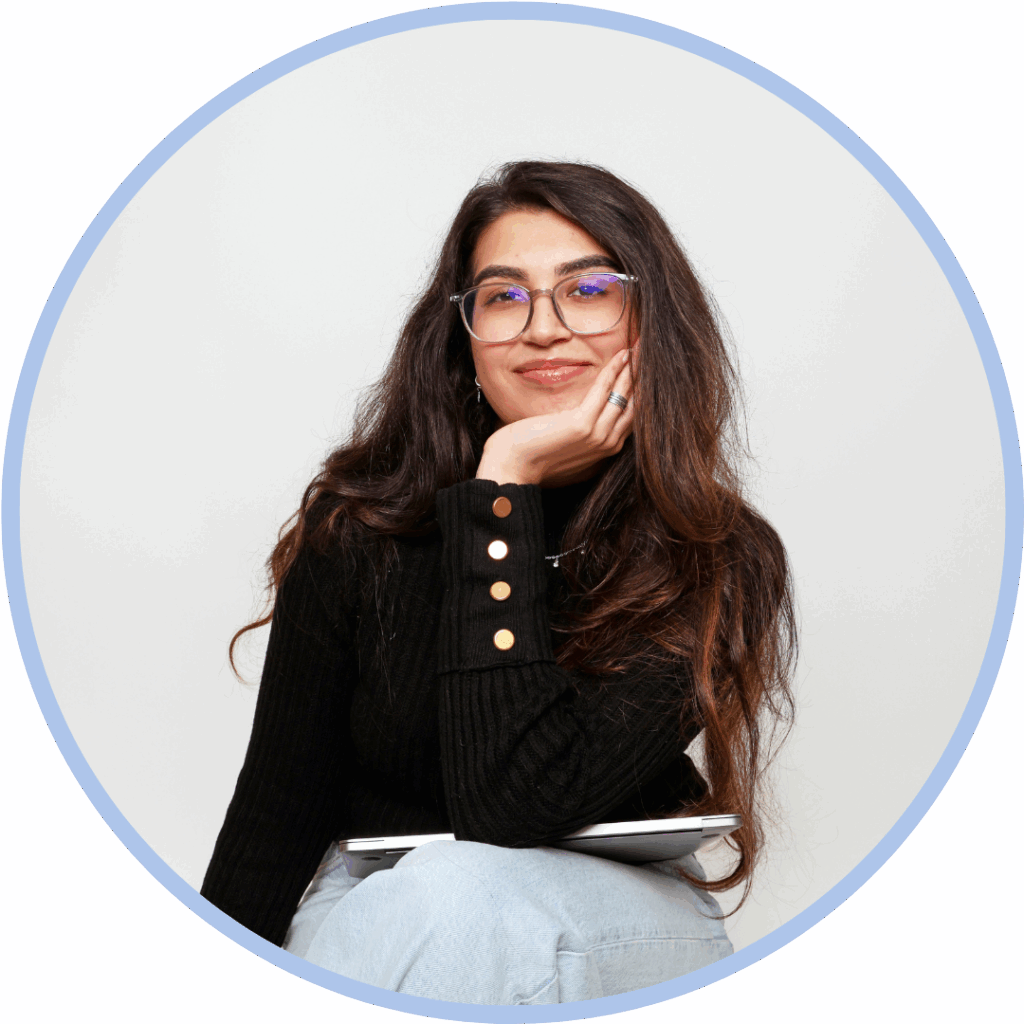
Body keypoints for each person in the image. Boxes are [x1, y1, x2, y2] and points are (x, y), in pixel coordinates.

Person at [201, 160, 796, 1004]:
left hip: (609, 909)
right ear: (464, 336)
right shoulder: (358, 534)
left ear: (650, 322)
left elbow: (513, 806)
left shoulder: (713, 553)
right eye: (504, 297)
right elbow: (273, 820)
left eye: (589, 290)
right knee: (418, 906)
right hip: (384, 907)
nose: (542, 328)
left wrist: (502, 491)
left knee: (457, 891)